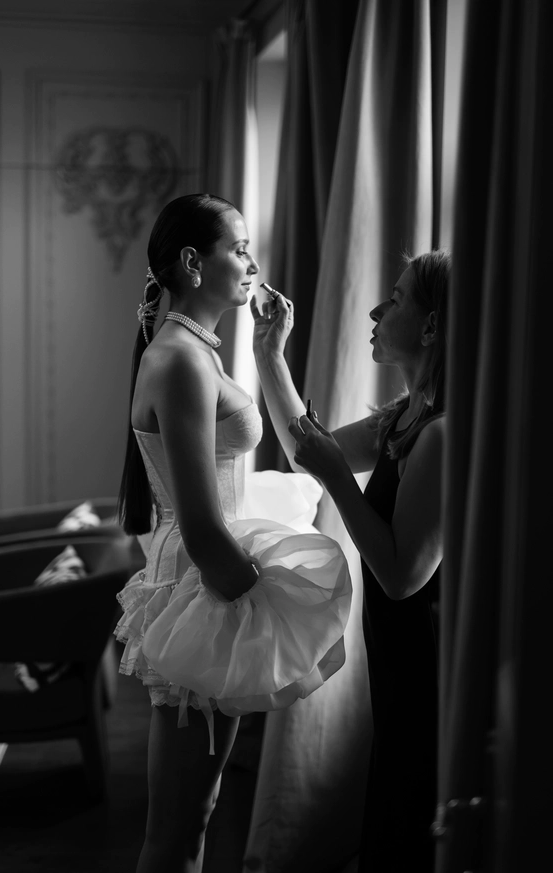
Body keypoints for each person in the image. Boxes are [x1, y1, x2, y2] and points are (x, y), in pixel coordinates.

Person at [114, 193, 353, 873]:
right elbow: (199, 526)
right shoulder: (182, 360)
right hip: (204, 585)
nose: (253, 263)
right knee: (177, 828)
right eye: (240, 249)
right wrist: (261, 607)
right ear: (194, 263)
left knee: (194, 814)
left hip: (204, 583)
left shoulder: (194, 350)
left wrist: (271, 351)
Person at [250, 250, 450, 873]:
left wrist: (340, 480)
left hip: (430, 668)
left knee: (410, 819)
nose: (375, 310)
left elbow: (402, 577)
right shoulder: (405, 418)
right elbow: (308, 453)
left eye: (396, 298)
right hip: (396, 658)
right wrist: (270, 354)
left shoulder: (443, 433)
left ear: (431, 326)